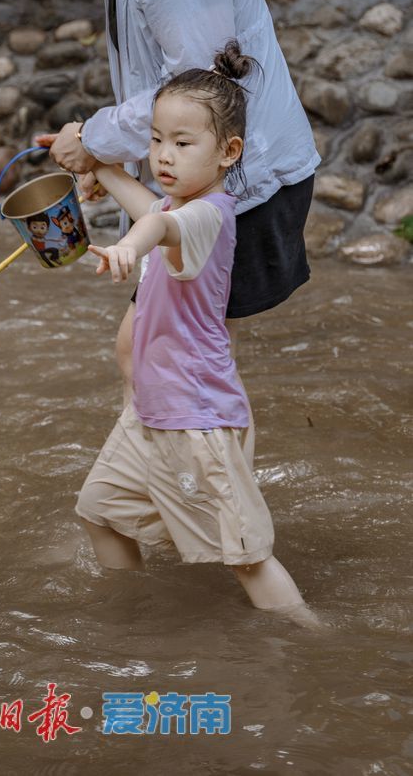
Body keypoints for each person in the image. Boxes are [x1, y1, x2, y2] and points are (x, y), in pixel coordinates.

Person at [17, 0, 320, 406]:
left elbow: (202, 88)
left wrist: (97, 139)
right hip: (205, 168)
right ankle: (182, 479)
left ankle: (192, 482)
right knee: (160, 349)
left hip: (243, 176)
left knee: (156, 349)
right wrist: (113, 159)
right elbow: (162, 76)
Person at [76, 41, 313, 619]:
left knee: (247, 555)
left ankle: (310, 639)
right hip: (154, 412)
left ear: (228, 151)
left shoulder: (209, 214)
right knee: (100, 511)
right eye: (156, 139)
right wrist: (99, 167)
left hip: (196, 417)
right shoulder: (176, 202)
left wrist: (130, 248)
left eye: (183, 144)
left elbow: (154, 228)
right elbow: (149, 209)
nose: (163, 154)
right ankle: (134, 617)